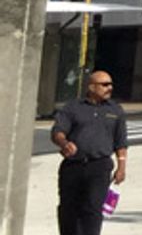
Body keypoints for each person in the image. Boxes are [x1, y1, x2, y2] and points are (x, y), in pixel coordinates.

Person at [49, 68, 128, 235]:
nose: (110, 88)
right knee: (68, 209)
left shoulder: (116, 110)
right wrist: (64, 143)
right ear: (91, 87)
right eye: (105, 84)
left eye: (111, 84)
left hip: (100, 166)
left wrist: (121, 166)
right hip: (73, 166)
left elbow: (121, 142)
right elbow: (57, 131)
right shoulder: (73, 108)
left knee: (92, 208)